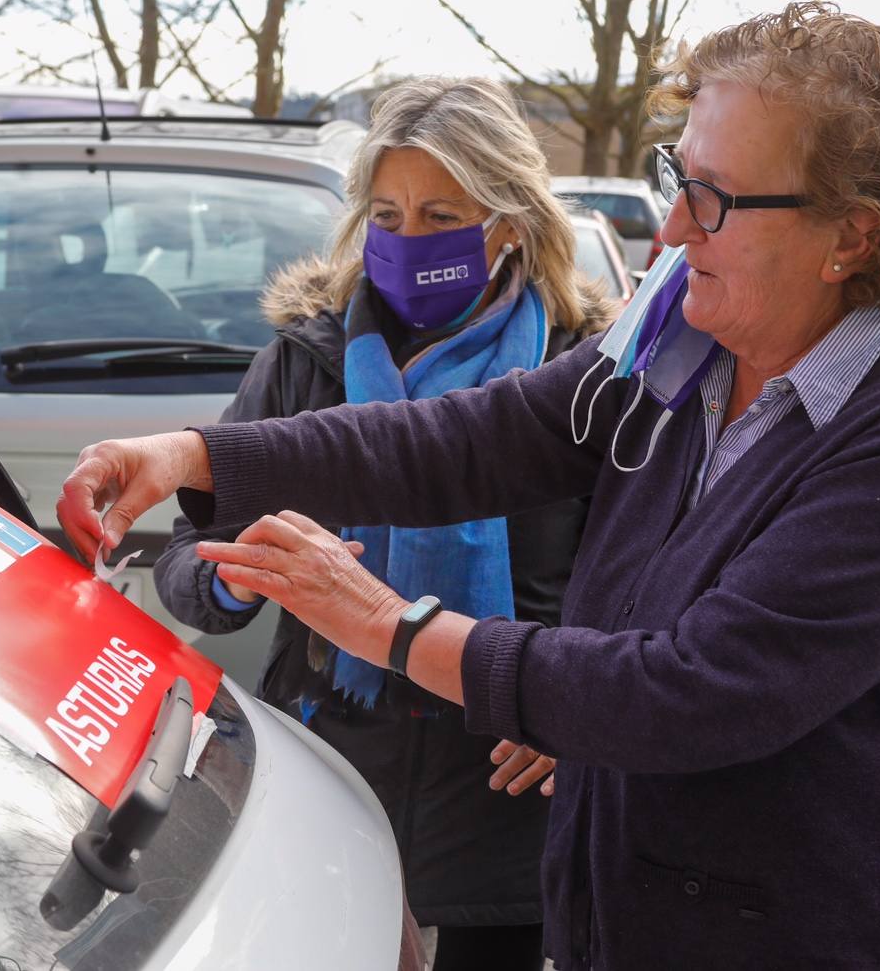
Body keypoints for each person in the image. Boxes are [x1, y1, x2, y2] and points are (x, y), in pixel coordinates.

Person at [59, 2, 880, 971]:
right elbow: (472, 439)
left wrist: (388, 625)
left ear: (849, 237)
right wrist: (196, 456)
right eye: (673, 178)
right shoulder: (682, 347)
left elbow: (699, 691)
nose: (673, 225)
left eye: (715, 198)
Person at [150, 76, 613, 971]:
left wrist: (576, 708)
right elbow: (188, 561)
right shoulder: (305, 360)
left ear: (509, 219)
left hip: (508, 792)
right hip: (331, 775)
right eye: (387, 217)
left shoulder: (581, 377)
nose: (406, 242)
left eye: (441, 215)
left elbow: (643, 577)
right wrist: (229, 574)